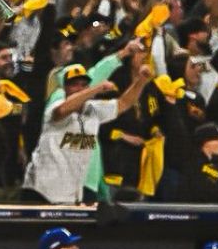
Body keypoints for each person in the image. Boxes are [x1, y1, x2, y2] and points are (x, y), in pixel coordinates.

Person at [22, 62, 153, 204]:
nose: (80, 88)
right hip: (42, 191)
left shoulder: (93, 110)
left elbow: (123, 103)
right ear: (64, 88)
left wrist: (141, 81)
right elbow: (62, 110)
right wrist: (97, 88)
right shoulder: (55, 106)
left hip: (71, 195)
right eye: (74, 84)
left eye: (84, 84)